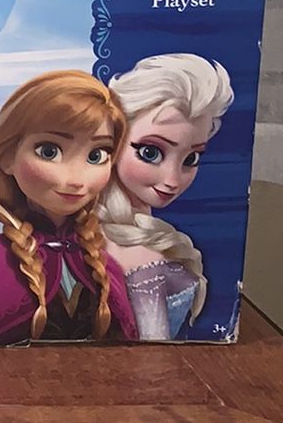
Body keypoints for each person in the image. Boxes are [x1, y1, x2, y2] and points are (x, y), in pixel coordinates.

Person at [0, 69, 137, 345]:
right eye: (49, 151)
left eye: (96, 155)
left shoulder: (105, 268)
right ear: (7, 157)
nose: (76, 179)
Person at [100, 53, 233, 341]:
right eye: (150, 152)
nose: (172, 180)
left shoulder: (112, 236)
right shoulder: (141, 261)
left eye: (191, 158)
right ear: (113, 138)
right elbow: (153, 354)